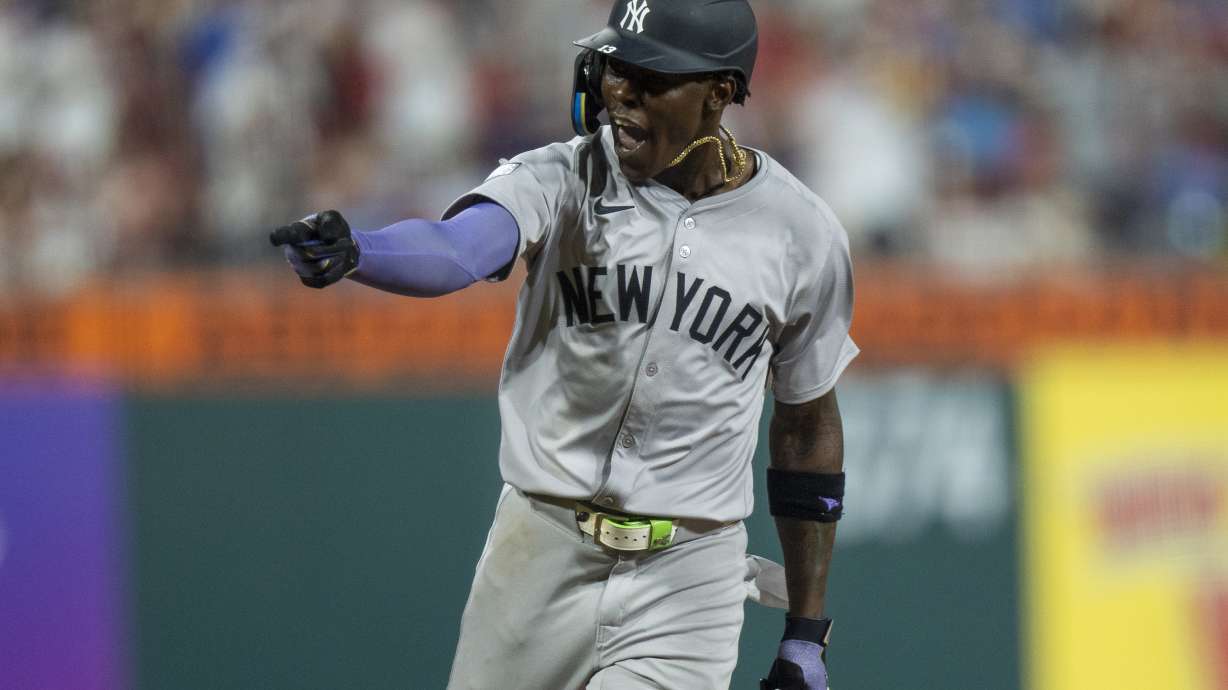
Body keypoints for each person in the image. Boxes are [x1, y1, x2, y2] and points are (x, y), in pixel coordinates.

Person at [270, 1, 856, 688]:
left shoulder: (802, 234)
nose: (621, 92)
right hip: (539, 550)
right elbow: (458, 251)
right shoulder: (562, 178)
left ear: (719, 93)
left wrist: (805, 631)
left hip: (688, 578)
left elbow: (807, 424)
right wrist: (358, 250)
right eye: (615, 69)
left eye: (651, 76)